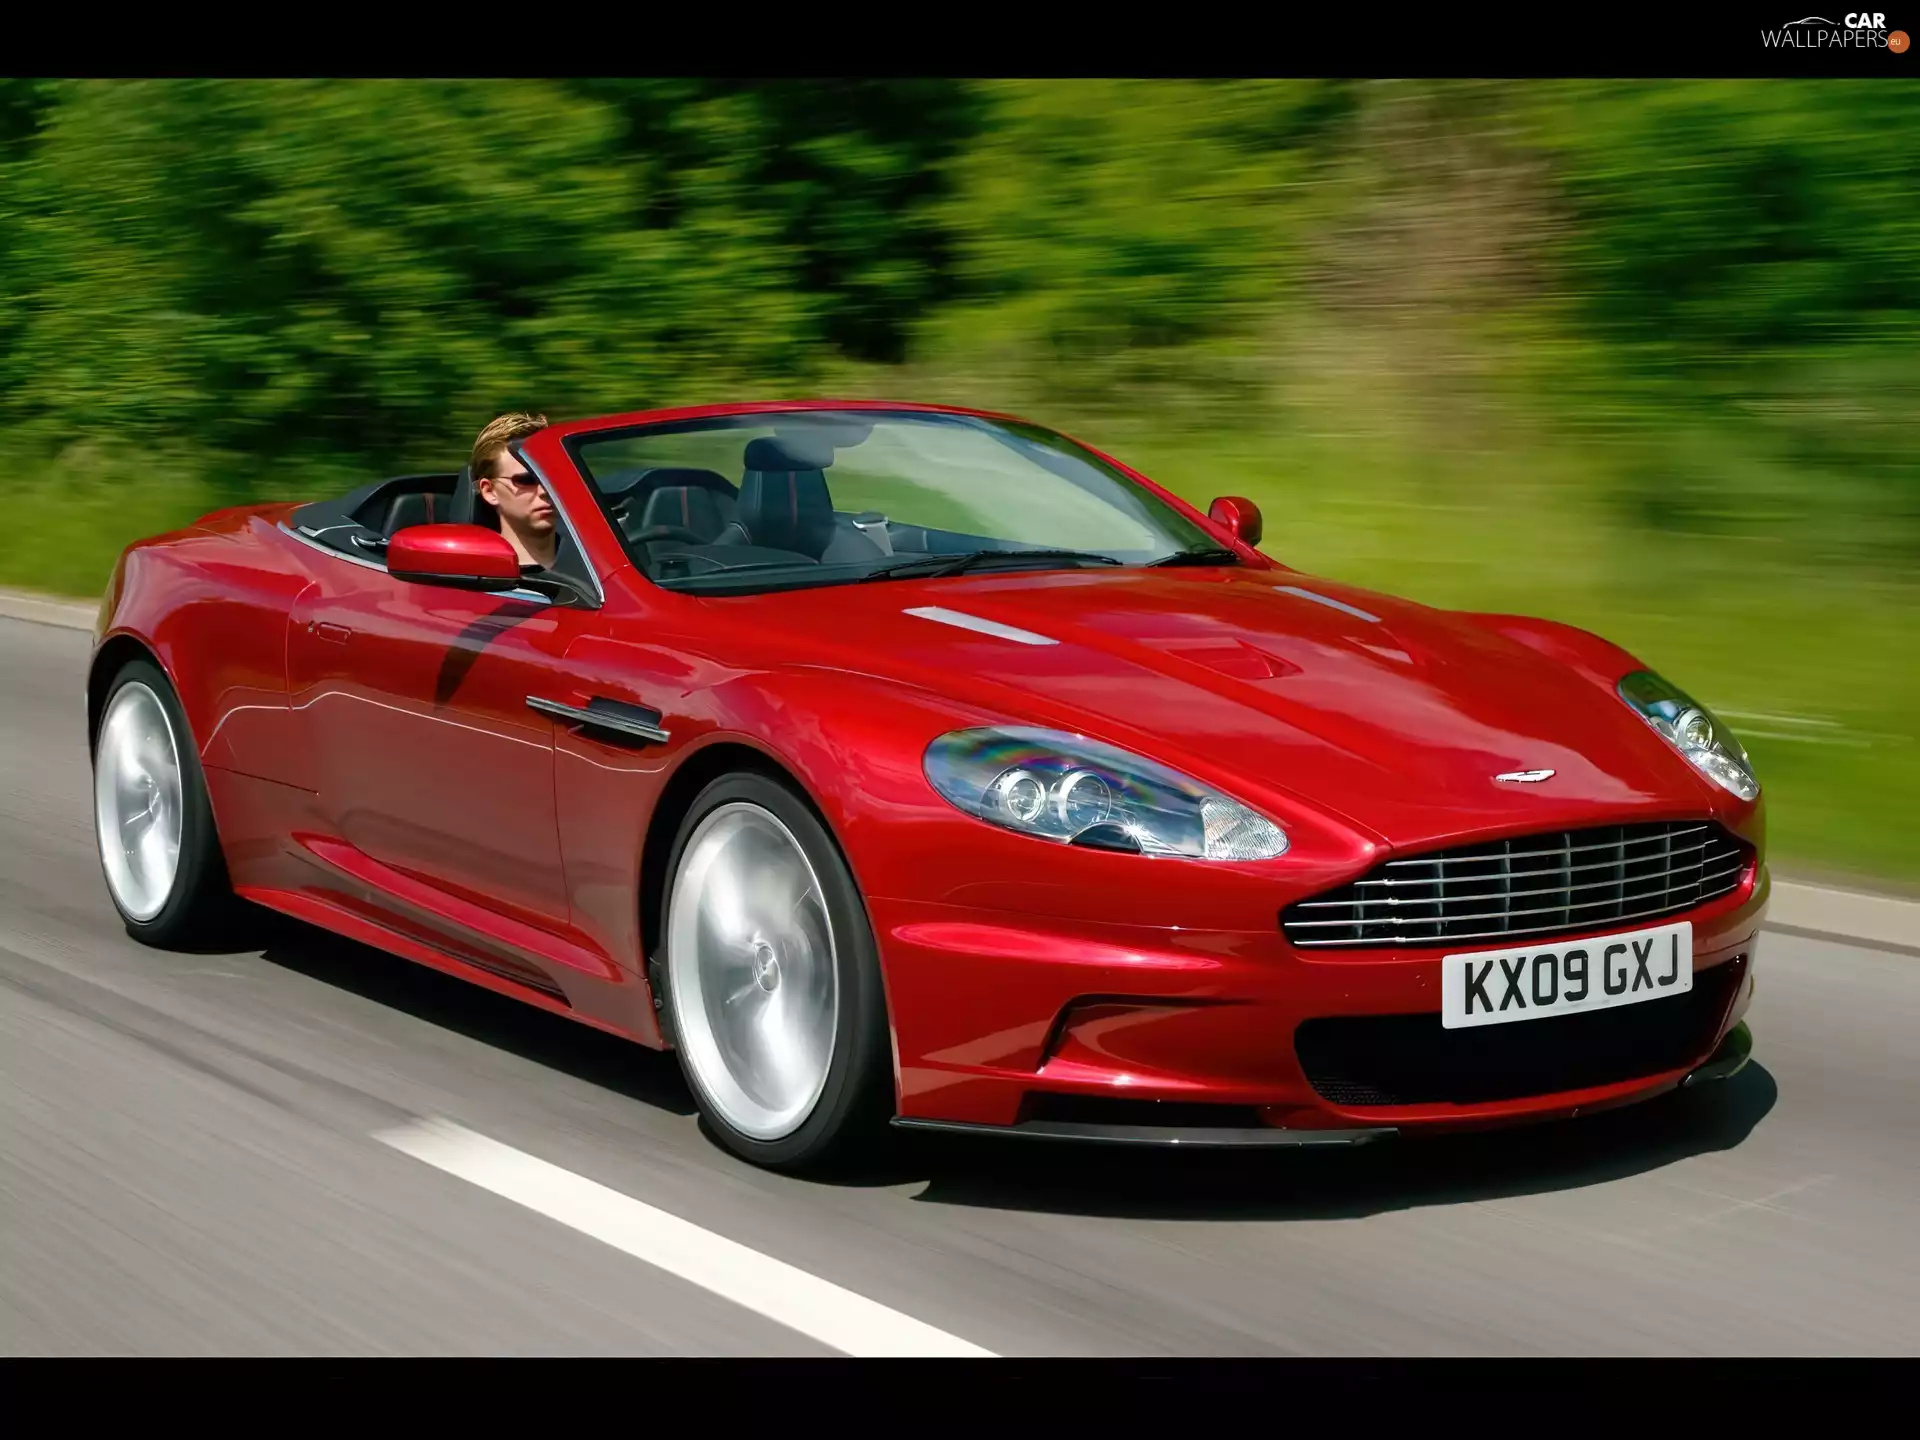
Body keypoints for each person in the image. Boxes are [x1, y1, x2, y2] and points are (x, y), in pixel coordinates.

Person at [470, 411, 558, 571]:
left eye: (551, 477)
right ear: (490, 492)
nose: (545, 490)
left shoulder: (602, 569)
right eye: (526, 480)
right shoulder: (479, 582)